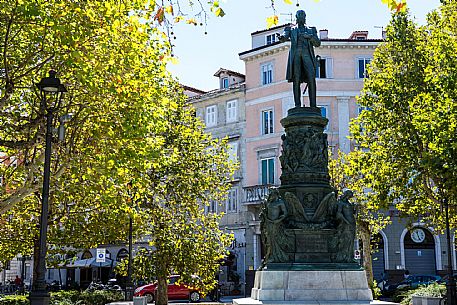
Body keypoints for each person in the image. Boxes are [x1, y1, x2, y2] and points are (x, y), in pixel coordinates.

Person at [281, 10, 321, 108]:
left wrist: (310, 37)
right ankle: (297, 105)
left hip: (307, 55)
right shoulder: (290, 29)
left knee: (311, 78)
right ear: (296, 18)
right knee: (296, 80)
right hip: (296, 56)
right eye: (299, 16)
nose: (301, 18)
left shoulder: (311, 30)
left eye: (302, 16)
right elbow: (284, 36)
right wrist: (281, 37)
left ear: (305, 17)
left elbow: (317, 43)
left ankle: (313, 105)